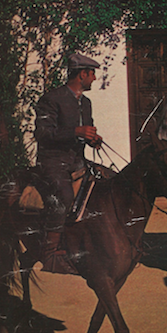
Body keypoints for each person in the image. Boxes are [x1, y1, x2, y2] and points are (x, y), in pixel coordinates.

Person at [34, 52, 103, 272]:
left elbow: (84, 133)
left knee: (104, 184)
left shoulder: (87, 103)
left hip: (77, 161)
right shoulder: (51, 99)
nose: (94, 79)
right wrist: (76, 131)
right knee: (64, 195)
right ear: (82, 74)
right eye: (92, 74)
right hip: (53, 162)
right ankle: (50, 253)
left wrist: (93, 139)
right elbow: (43, 133)